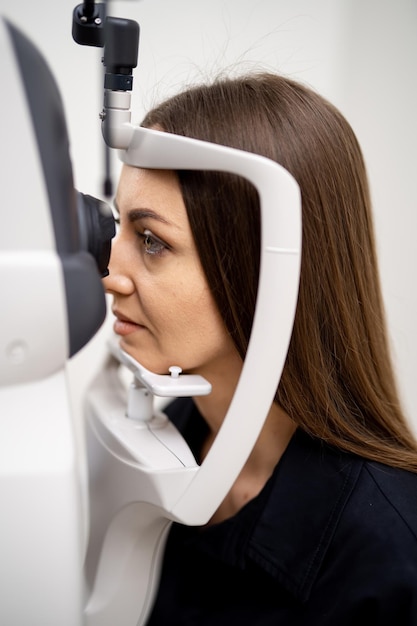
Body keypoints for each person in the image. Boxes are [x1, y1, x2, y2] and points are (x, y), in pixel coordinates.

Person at [103, 72, 417, 625]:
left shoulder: (387, 559)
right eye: (118, 226)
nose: (110, 274)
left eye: (151, 241)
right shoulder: (171, 441)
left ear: (265, 269)